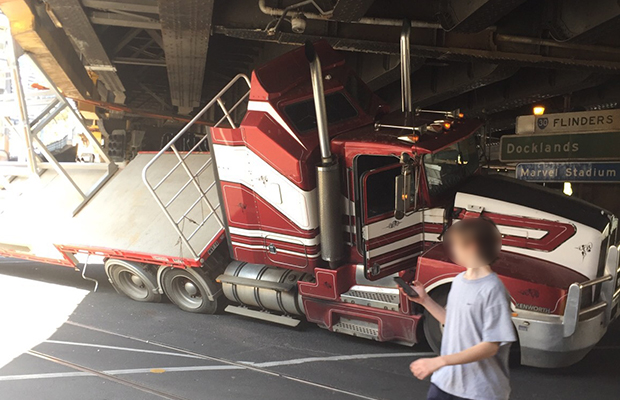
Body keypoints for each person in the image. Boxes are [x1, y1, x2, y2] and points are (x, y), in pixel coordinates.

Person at [401, 217, 517, 400]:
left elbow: (490, 346)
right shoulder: (459, 280)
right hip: (446, 383)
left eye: (455, 244)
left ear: (472, 246)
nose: (452, 250)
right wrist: (425, 300)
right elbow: (453, 322)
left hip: (479, 391)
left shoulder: (493, 289)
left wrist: (439, 361)